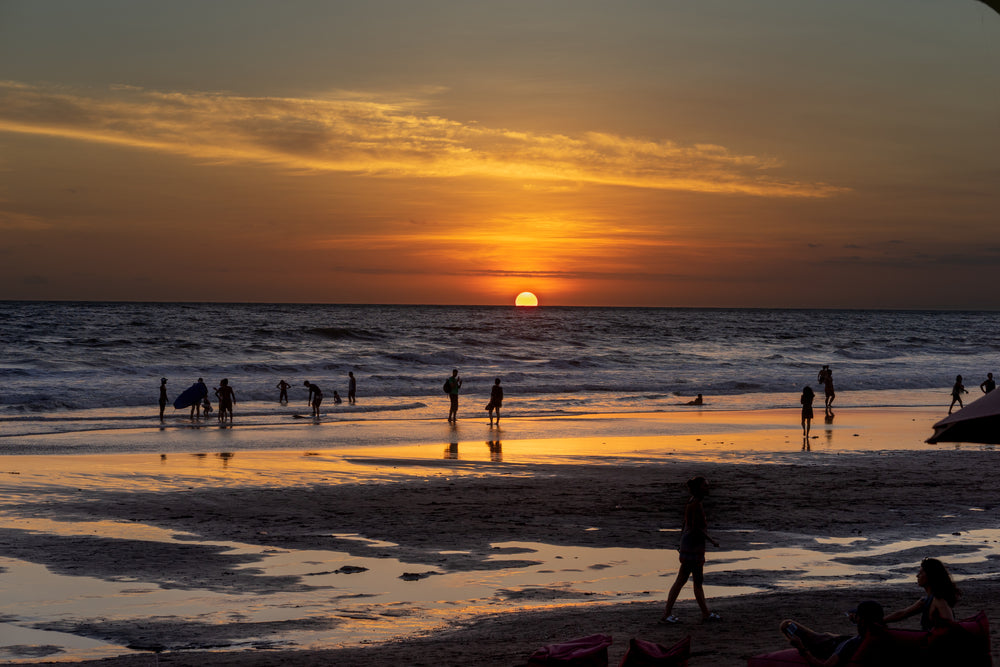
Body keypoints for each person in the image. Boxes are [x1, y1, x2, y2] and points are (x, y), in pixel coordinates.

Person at [660, 476, 721, 625]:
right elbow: (695, 528)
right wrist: (711, 541)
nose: (708, 488)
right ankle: (669, 613)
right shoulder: (696, 505)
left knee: (689, 580)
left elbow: (685, 524)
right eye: (705, 486)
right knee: (688, 580)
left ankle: (703, 613)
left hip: (689, 545)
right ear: (699, 488)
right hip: (693, 547)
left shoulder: (692, 501)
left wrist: (681, 541)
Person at [780, 600, 885, 667]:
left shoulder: (851, 645)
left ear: (861, 620)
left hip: (827, 646)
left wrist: (801, 648)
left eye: (857, 616)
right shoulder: (880, 634)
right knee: (826, 635)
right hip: (837, 640)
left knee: (786, 625)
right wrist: (857, 620)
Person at [884, 557, 959, 630]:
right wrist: (880, 621)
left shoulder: (939, 600)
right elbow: (903, 613)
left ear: (931, 575)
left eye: (921, 572)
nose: (917, 576)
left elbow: (951, 625)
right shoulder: (925, 601)